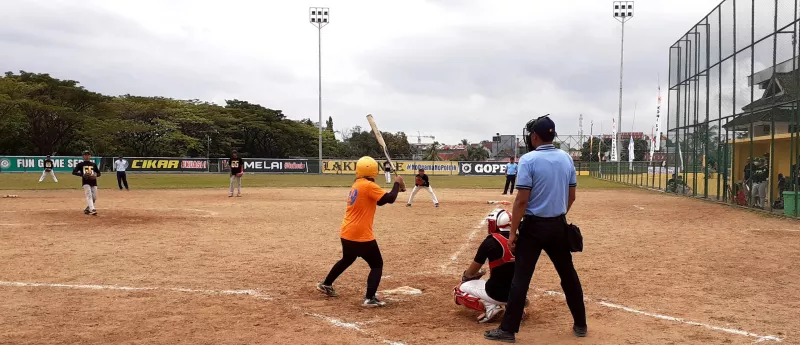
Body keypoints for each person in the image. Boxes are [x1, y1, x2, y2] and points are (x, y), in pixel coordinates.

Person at [485, 115, 586, 343]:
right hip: (558, 224)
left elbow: (521, 200)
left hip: (533, 227)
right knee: (568, 275)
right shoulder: (566, 158)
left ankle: (508, 330)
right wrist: (559, 215)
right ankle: (580, 324)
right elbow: (571, 196)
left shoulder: (528, 160)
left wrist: (512, 233)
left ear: (535, 136)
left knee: (521, 278)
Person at [317, 156, 404, 307]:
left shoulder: (358, 184)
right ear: (374, 170)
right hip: (360, 235)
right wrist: (397, 183)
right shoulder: (368, 185)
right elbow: (390, 198)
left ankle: (326, 283)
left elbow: (381, 201)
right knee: (377, 265)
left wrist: (397, 187)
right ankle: (370, 298)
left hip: (347, 232)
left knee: (347, 259)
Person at [454, 208, 518, 323]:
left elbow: (471, 273)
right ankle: (517, 308)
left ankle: (490, 308)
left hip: (497, 294)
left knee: (459, 290)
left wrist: (466, 277)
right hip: (520, 294)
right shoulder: (523, 240)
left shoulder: (491, 241)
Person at [72, 150, 101, 216]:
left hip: (93, 182)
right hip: (86, 182)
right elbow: (74, 172)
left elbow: (99, 173)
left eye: (88, 155)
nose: (87, 156)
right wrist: (82, 175)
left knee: (94, 197)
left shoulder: (93, 164)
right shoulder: (80, 164)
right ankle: (92, 209)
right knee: (89, 195)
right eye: (85, 155)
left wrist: (96, 175)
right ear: (83, 156)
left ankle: (87, 209)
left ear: (90, 156)